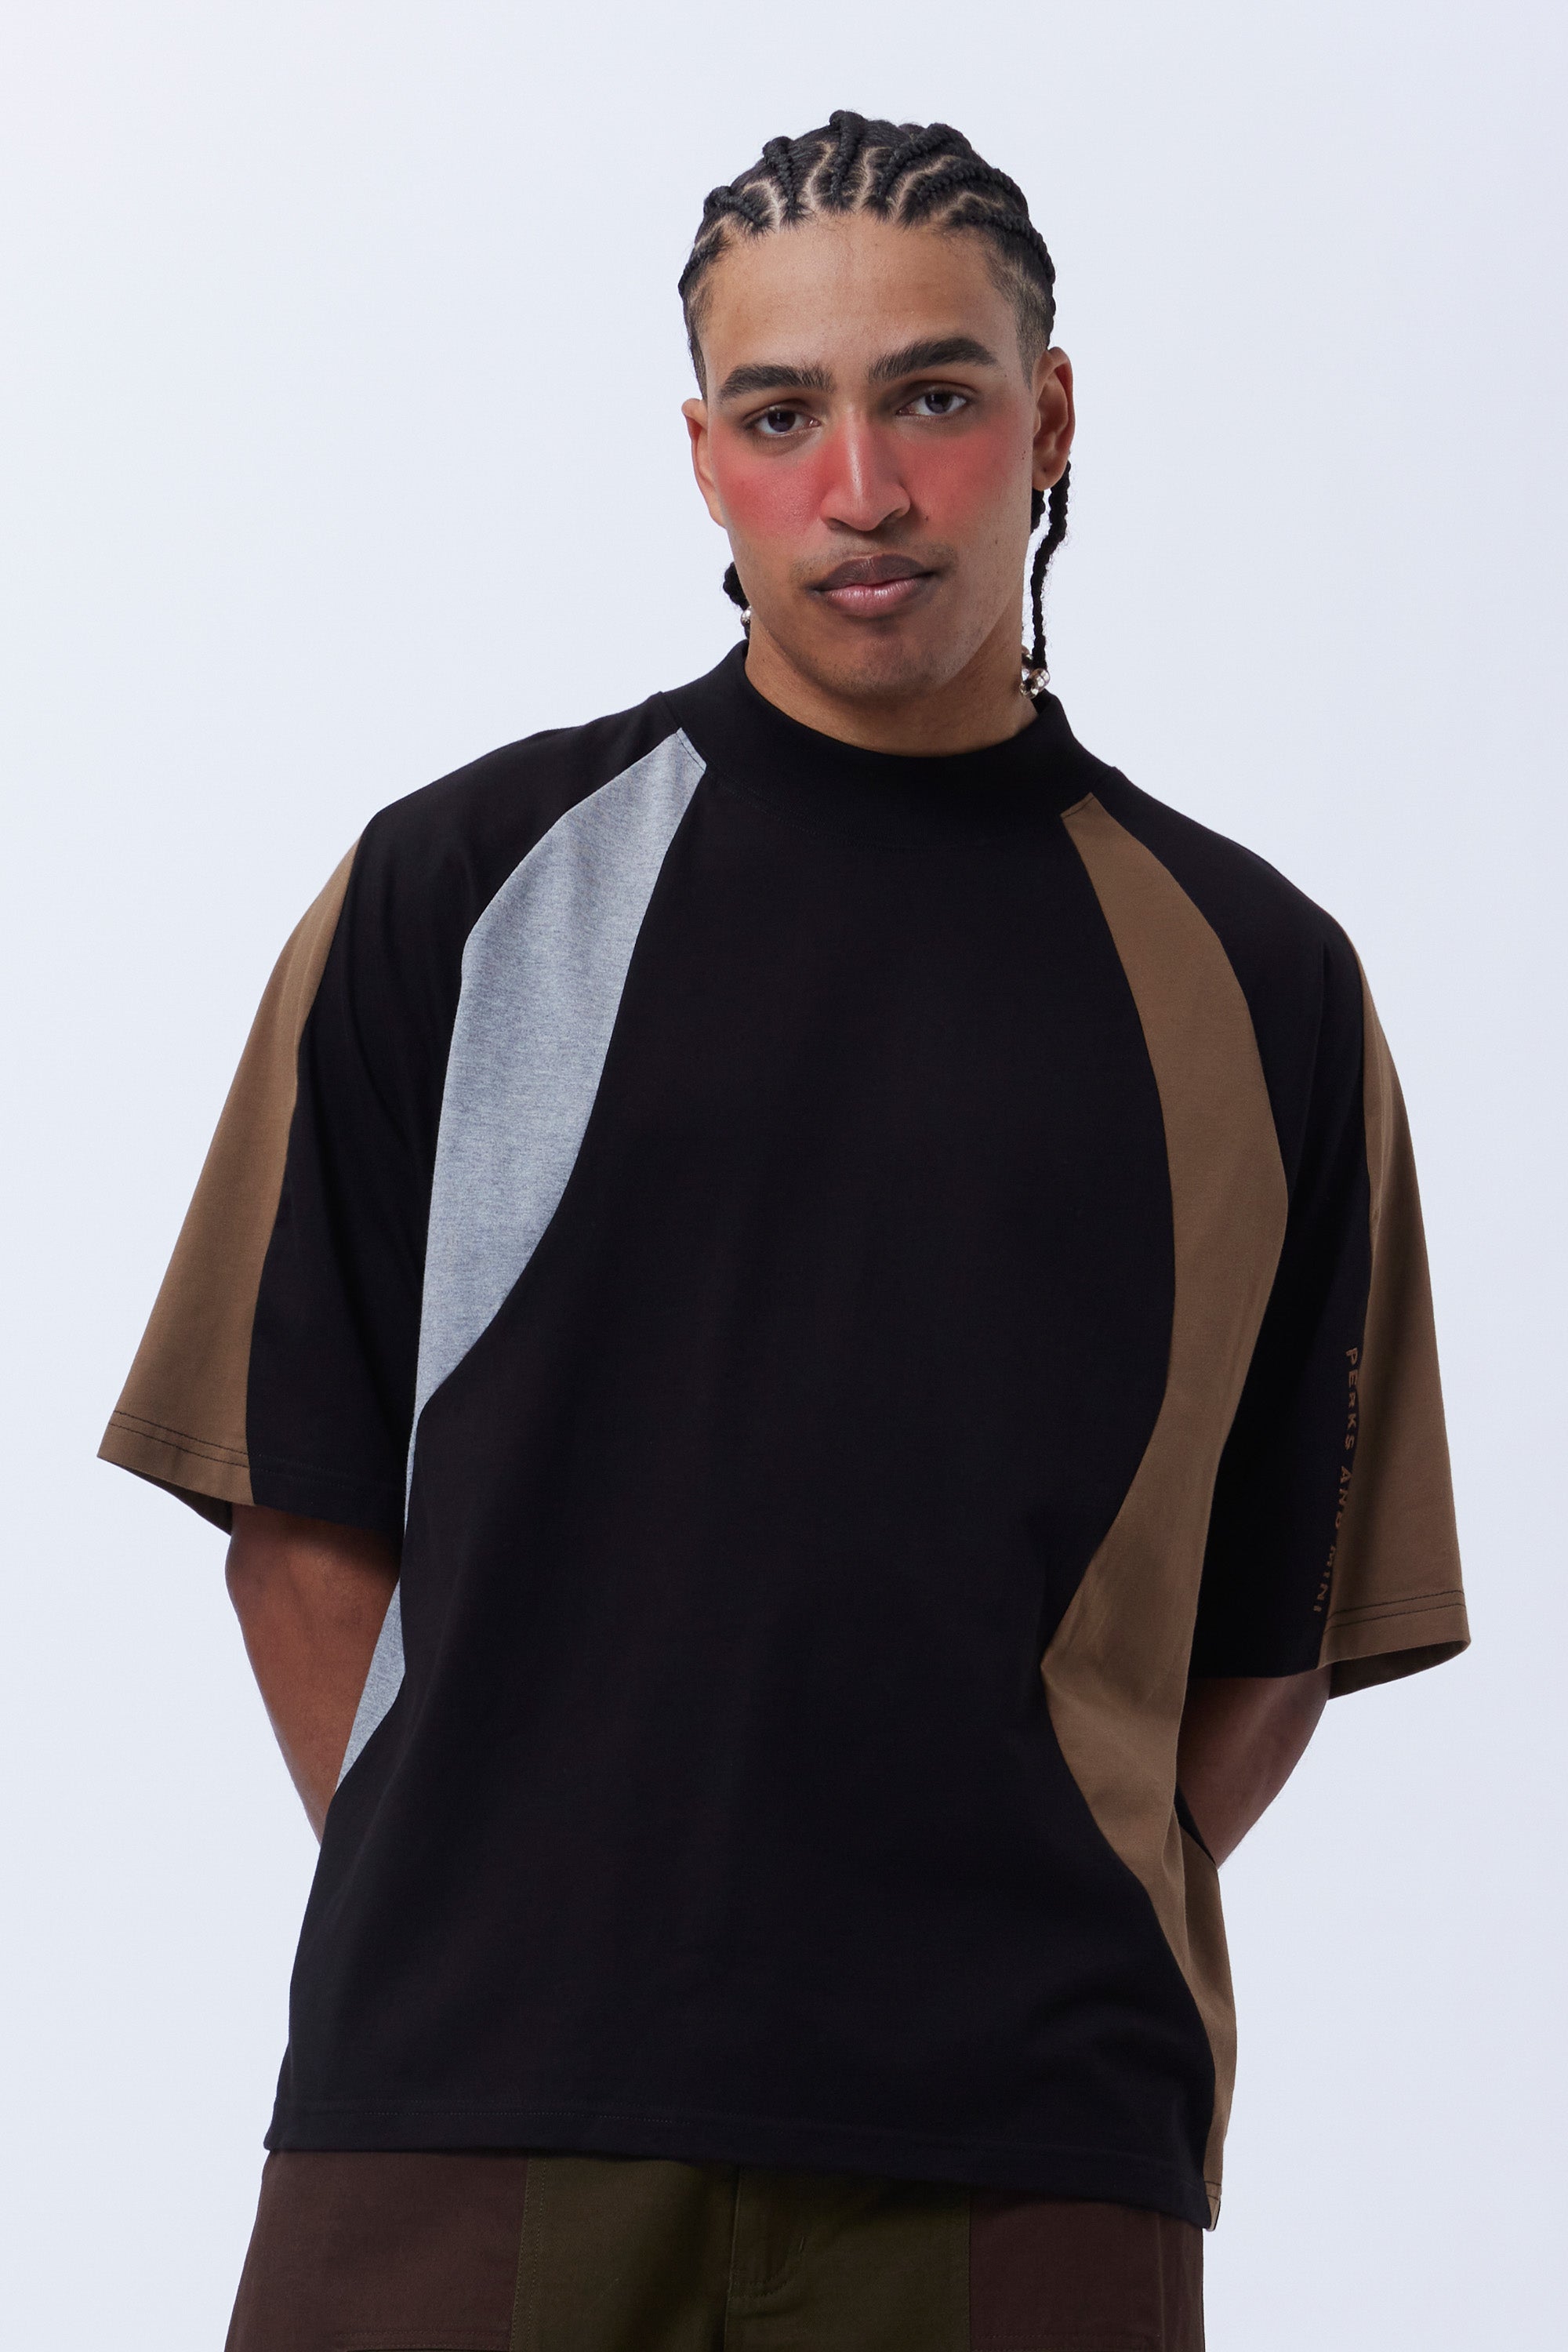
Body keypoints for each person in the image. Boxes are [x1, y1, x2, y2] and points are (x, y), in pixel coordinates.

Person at [100, 112, 1468, 2352]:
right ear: (702, 457)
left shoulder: (1259, 981)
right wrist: (500, 1907)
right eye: (778, 413)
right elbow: (298, 1512)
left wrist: (994, 1925)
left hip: (1021, 2148)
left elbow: (1279, 1628)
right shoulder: (461, 894)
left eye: (933, 395)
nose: (862, 486)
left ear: (1050, 418)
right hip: (467, 2117)